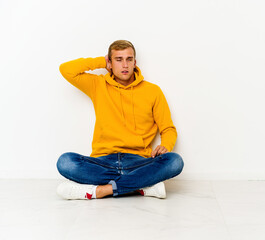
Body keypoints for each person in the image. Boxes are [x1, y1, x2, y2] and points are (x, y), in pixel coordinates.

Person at [56, 40, 184, 200]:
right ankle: (140, 187)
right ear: (110, 62)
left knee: (175, 161)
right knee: (65, 161)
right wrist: (101, 61)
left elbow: (168, 129)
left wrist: (165, 145)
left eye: (129, 59)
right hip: (103, 162)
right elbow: (66, 69)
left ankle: (101, 191)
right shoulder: (98, 85)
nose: (125, 65)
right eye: (118, 59)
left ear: (135, 62)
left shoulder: (153, 91)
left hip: (138, 162)